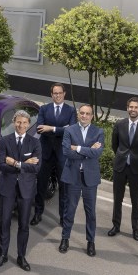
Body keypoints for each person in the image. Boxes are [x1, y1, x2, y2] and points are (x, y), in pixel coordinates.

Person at [0, 110, 41, 271]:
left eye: (24, 123)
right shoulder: (4, 140)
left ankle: (21, 256)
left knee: (24, 225)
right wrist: (25, 164)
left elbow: (36, 168)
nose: (21, 125)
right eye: (19, 122)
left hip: (26, 189)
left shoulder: (35, 143)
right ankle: (3, 254)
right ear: (14, 123)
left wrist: (15, 163)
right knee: (4, 222)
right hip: (8, 188)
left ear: (28, 124)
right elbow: (1, 164)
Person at [58, 104, 104, 257]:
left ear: (92, 116)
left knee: (90, 212)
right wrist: (89, 150)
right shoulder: (69, 130)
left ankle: (91, 242)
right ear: (78, 114)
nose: (84, 116)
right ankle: (65, 239)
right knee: (69, 210)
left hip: (90, 177)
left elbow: (97, 153)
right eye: (82, 113)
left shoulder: (98, 132)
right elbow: (66, 152)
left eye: (87, 113)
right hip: (73, 176)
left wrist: (77, 148)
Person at [109, 97, 138, 241]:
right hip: (120, 167)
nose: (133, 109)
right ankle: (116, 226)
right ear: (127, 108)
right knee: (117, 199)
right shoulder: (119, 124)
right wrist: (122, 156)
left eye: (136, 107)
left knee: (136, 200)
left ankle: (135, 229)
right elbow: (114, 145)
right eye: (131, 107)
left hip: (136, 169)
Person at [32, 83, 77, 226]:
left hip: (62, 153)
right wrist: (62, 129)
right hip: (45, 152)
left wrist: (51, 128)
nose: (57, 95)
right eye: (55, 93)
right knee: (41, 185)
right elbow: (39, 128)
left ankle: (63, 217)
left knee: (63, 187)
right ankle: (38, 213)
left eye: (60, 93)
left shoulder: (71, 110)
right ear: (51, 95)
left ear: (64, 94)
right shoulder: (44, 109)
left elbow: (71, 130)